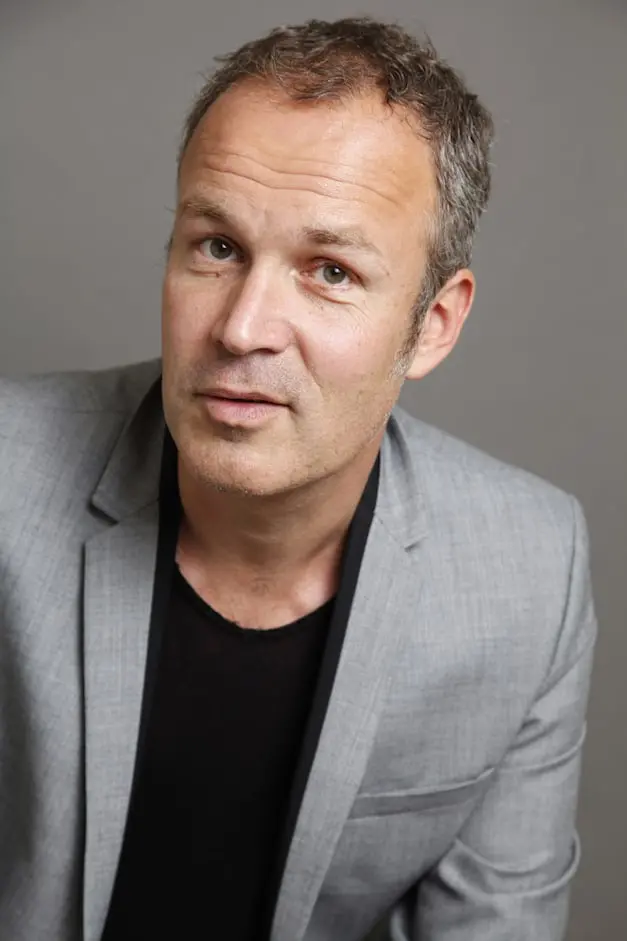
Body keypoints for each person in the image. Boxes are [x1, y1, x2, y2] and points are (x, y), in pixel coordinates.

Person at [0, 16, 597, 941]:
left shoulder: (528, 571)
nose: (242, 329)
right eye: (217, 246)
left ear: (433, 324)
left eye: (329, 271)